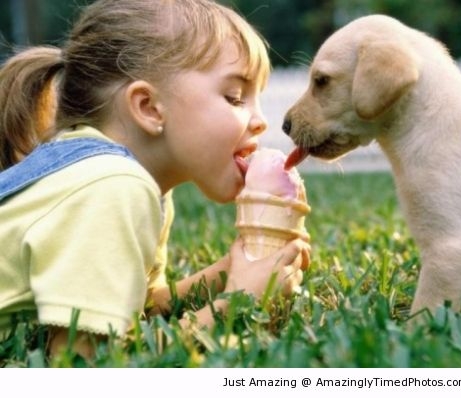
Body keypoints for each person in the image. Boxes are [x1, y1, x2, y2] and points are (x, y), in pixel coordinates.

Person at [0, 0, 310, 360]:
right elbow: (84, 361)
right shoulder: (112, 186)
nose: (260, 121)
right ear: (148, 107)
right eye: (235, 97)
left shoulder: (136, 186)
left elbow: (143, 309)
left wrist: (227, 273)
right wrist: (236, 303)